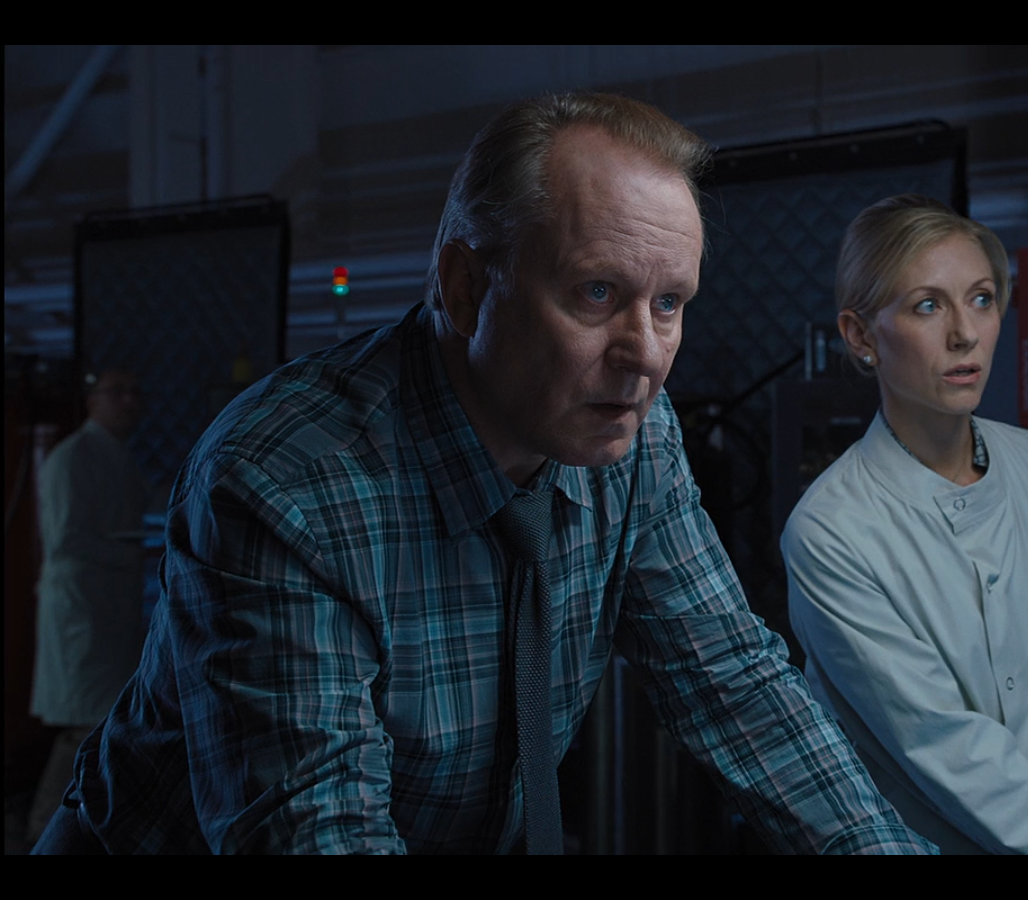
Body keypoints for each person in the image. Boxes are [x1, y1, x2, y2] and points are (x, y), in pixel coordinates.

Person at [33, 93, 932, 855]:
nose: (646, 356)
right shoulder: (287, 482)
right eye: (596, 293)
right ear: (465, 288)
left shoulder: (635, 439)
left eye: (669, 303)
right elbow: (320, 830)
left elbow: (736, 685)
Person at [782, 195, 1028, 854]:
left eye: (982, 299)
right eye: (927, 306)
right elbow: (958, 760)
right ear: (861, 336)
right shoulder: (832, 532)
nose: (965, 334)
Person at [28, 370, 147, 843]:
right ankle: (42, 829)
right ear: (91, 400)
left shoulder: (116, 456)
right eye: (117, 392)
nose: (129, 401)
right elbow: (66, 540)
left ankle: (65, 831)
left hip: (107, 611)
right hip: (82, 612)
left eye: (134, 392)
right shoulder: (72, 457)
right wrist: (133, 552)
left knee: (96, 721)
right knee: (84, 725)